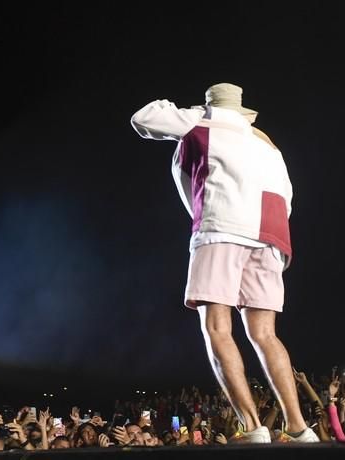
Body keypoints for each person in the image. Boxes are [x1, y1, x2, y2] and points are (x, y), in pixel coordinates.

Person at [131, 83, 318, 443]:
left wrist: (196, 111)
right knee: (265, 333)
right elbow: (289, 193)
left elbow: (143, 117)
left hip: (222, 227)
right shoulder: (266, 143)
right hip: (273, 232)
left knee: (217, 326)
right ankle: (298, 428)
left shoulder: (202, 123)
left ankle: (252, 427)